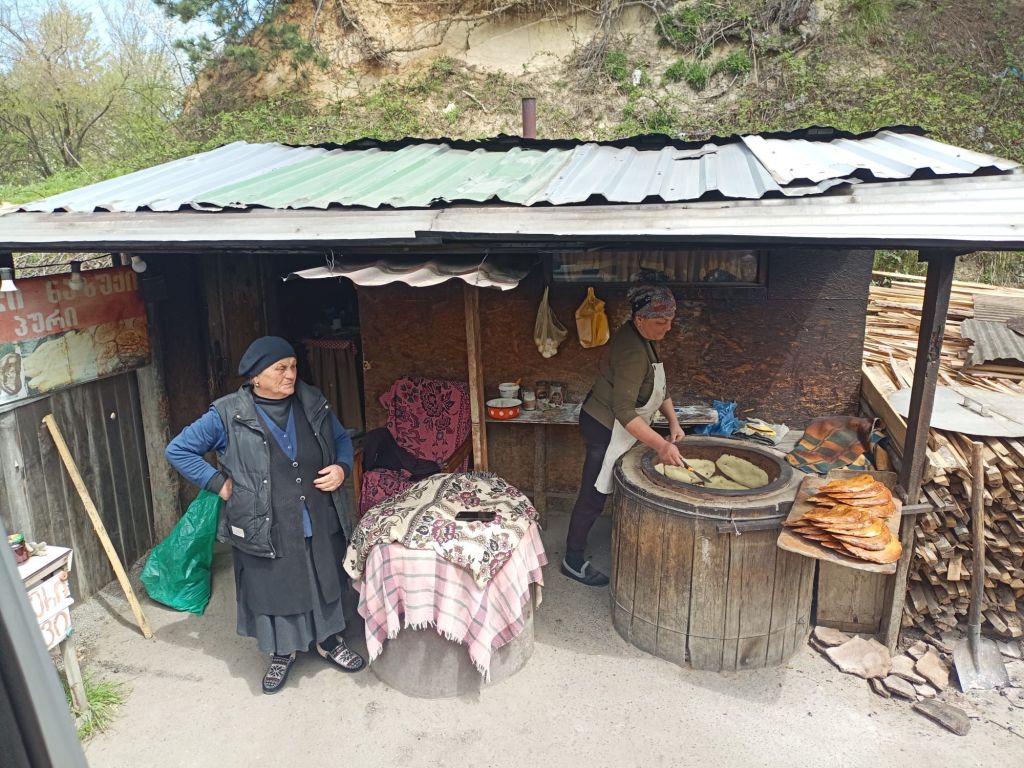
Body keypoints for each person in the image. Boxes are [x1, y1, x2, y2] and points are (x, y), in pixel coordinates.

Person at [165, 336, 365, 694]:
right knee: (276, 584)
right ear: (256, 376)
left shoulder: (311, 400)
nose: (290, 375)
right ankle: (282, 652)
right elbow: (179, 450)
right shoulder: (227, 413)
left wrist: (341, 467)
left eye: (293, 366)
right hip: (263, 521)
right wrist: (218, 483)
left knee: (322, 575)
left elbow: (341, 439)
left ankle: (329, 640)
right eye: (280, 368)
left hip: (316, 513)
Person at [562, 285, 684, 587]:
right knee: (594, 493)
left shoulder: (646, 338)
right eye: (661, 322)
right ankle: (572, 560)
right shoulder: (631, 350)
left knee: (608, 486)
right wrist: (661, 445)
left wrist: (673, 422)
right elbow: (623, 410)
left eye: (670, 321)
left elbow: (659, 387)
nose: (667, 328)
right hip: (603, 425)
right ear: (640, 319)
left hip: (620, 424)